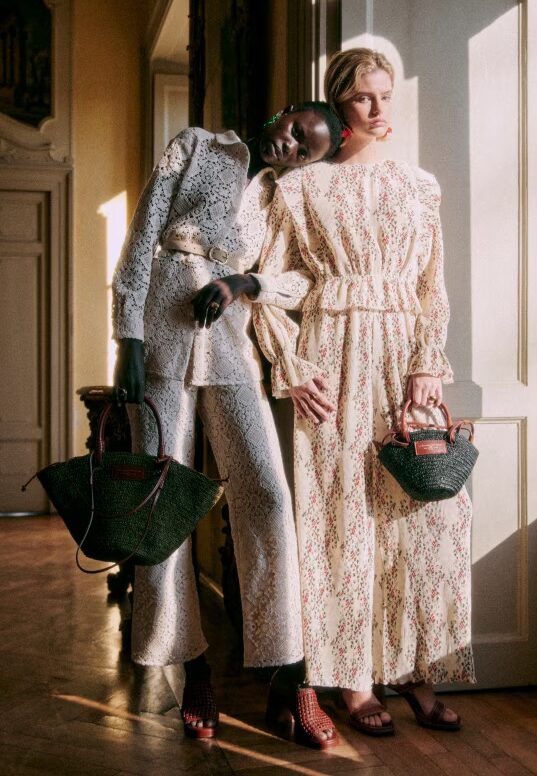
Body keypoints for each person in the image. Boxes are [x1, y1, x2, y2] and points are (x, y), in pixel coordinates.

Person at [203, 47, 475, 738]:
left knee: (417, 515)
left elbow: (431, 286)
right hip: (334, 356)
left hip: (402, 354)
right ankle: (353, 679)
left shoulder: (420, 185)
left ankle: (416, 672)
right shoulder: (300, 190)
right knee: (341, 517)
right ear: (338, 106)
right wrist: (292, 365)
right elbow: (269, 285)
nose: (381, 110)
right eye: (364, 99)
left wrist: (427, 364)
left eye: (387, 95)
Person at [112, 102, 343, 743]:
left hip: (231, 344)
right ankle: (195, 668)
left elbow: (301, 280)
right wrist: (126, 336)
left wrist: (244, 283)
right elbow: (143, 233)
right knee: (166, 501)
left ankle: (289, 675)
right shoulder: (197, 147)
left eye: (306, 150)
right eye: (295, 130)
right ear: (283, 113)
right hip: (162, 327)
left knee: (267, 494)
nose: (290, 147)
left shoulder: (284, 199)